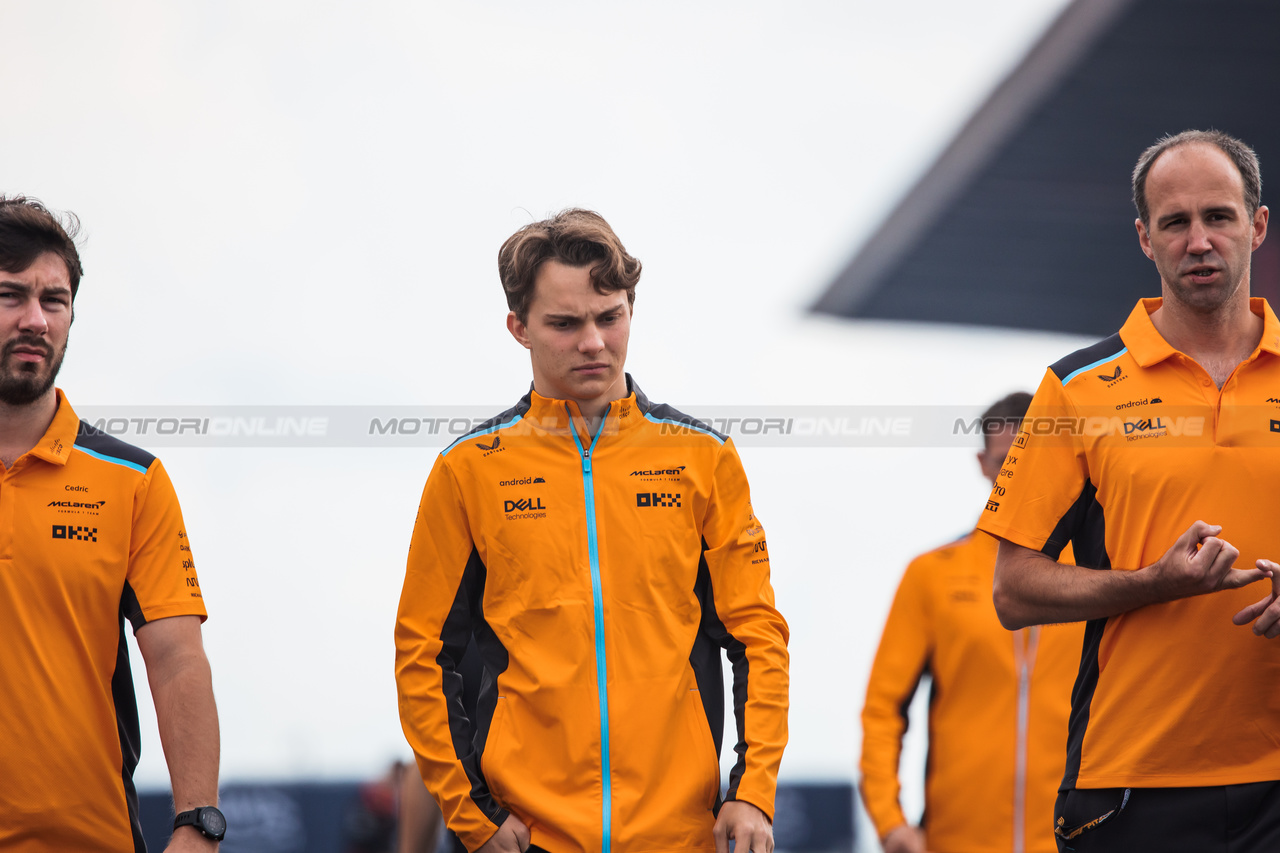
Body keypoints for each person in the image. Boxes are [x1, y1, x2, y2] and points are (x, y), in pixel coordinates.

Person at [394, 209, 790, 853]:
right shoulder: (466, 470)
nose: (593, 342)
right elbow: (422, 655)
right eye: (565, 323)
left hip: (679, 835)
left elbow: (758, 638)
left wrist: (752, 791)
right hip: (529, 838)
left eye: (610, 317)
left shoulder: (705, 457)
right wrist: (473, 818)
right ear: (518, 329)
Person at [979, 130, 1280, 852]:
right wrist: (1154, 582)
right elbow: (1013, 592)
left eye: (1220, 216)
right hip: (1132, 787)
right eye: (1175, 223)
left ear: (1258, 225)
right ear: (1146, 239)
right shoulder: (1076, 388)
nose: (1199, 240)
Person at [0, 196, 222, 852]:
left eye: (54, 299)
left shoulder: (131, 481)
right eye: (11, 295)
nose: (35, 319)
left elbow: (177, 657)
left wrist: (198, 824)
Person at [860, 393, 1082, 853]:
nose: (1021, 477)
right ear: (983, 464)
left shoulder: (1102, 573)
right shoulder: (932, 574)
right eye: (1007, 463)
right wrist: (890, 822)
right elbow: (883, 709)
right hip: (956, 840)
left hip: (1078, 839)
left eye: (1033, 460)